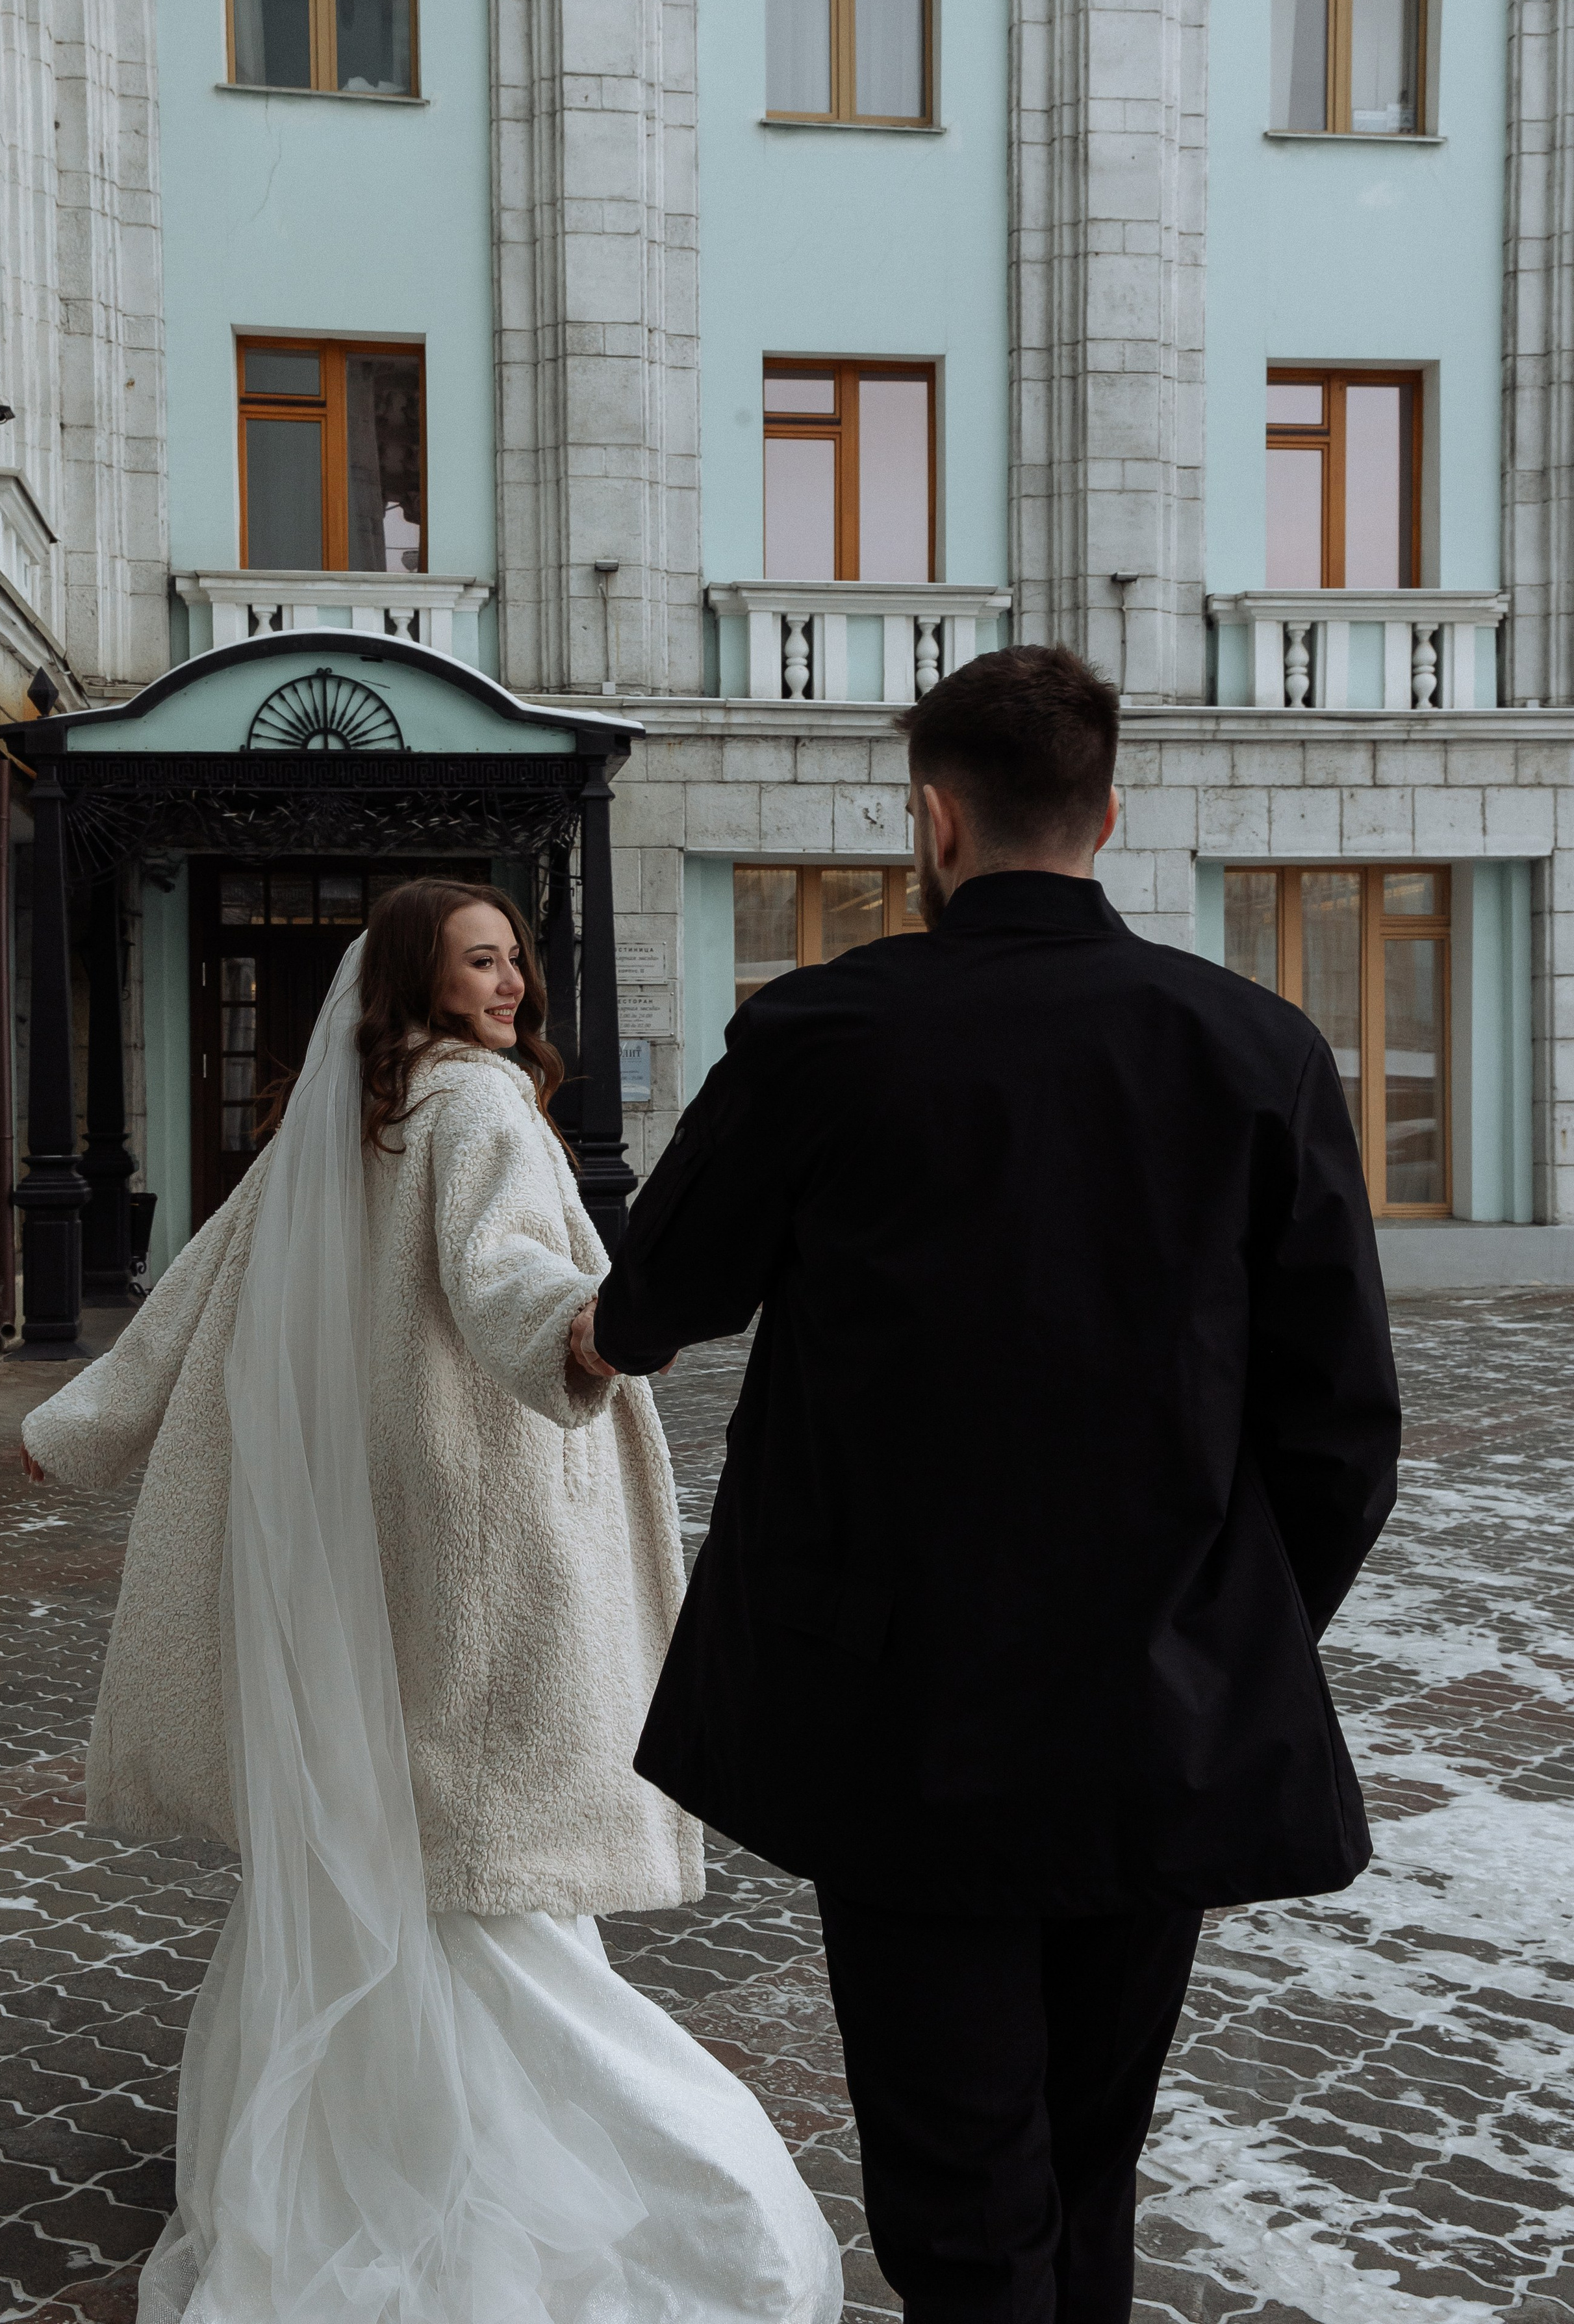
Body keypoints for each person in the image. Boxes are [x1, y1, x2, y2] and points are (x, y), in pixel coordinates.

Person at [575, 648, 1402, 2324]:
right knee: (1086, 2162)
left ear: (933, 821)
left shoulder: (823, 1030)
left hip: (899, 1706)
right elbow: (1338, 1430)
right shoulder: (1255, 1043)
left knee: (960, 2187)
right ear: (1105, 815)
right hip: (1153, 1709)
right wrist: (1216, 1625)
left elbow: (659, 1298)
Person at [21, 879, 841, 2324]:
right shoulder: (473, 1109)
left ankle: (337, 2168)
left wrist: (80, 1427)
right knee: (482, 1878)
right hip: (470, 1539)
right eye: (480, 961)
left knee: (378, 1857)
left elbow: (189, 1298)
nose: (511, 983)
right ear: (419, 976)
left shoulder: (336, 1119)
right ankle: (641, 2191)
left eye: (515, 958)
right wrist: (583, 1336)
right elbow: (501, 1272)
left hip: (358, 1547)